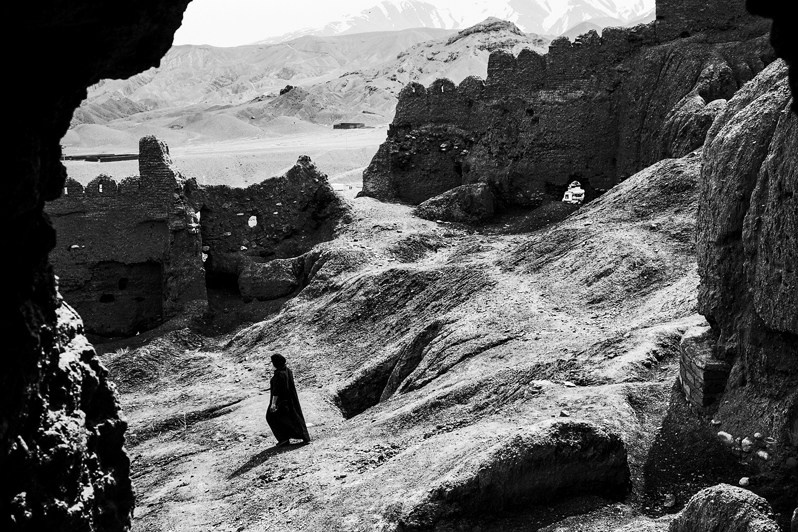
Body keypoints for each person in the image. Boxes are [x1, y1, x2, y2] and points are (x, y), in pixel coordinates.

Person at [266, 353, 310, 446]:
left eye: (272, 362)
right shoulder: (287, 370)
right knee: (293, 417)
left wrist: (273, 404)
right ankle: (303, 436)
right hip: (291, 400)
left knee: (271, 417)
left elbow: (276, 391)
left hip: (281, 401)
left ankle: (283, 439)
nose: (271, 364)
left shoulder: (279, 374)